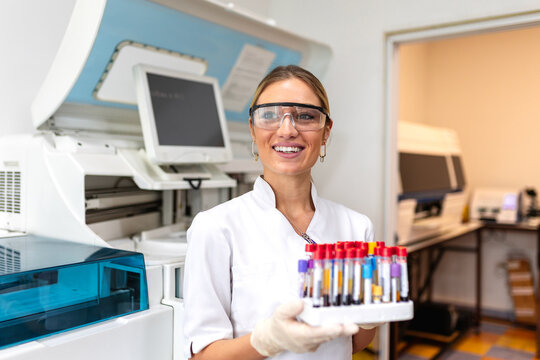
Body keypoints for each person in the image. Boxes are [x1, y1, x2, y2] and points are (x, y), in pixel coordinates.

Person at [183, 65, 377, 359]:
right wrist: (267, 341)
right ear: (252, 129)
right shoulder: (216, 227)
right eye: (270, 115)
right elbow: (203, 356)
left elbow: (353, 343)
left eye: (306, 116)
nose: (287, 130)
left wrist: (368, 315)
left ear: (326, 132)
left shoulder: (357, 227)